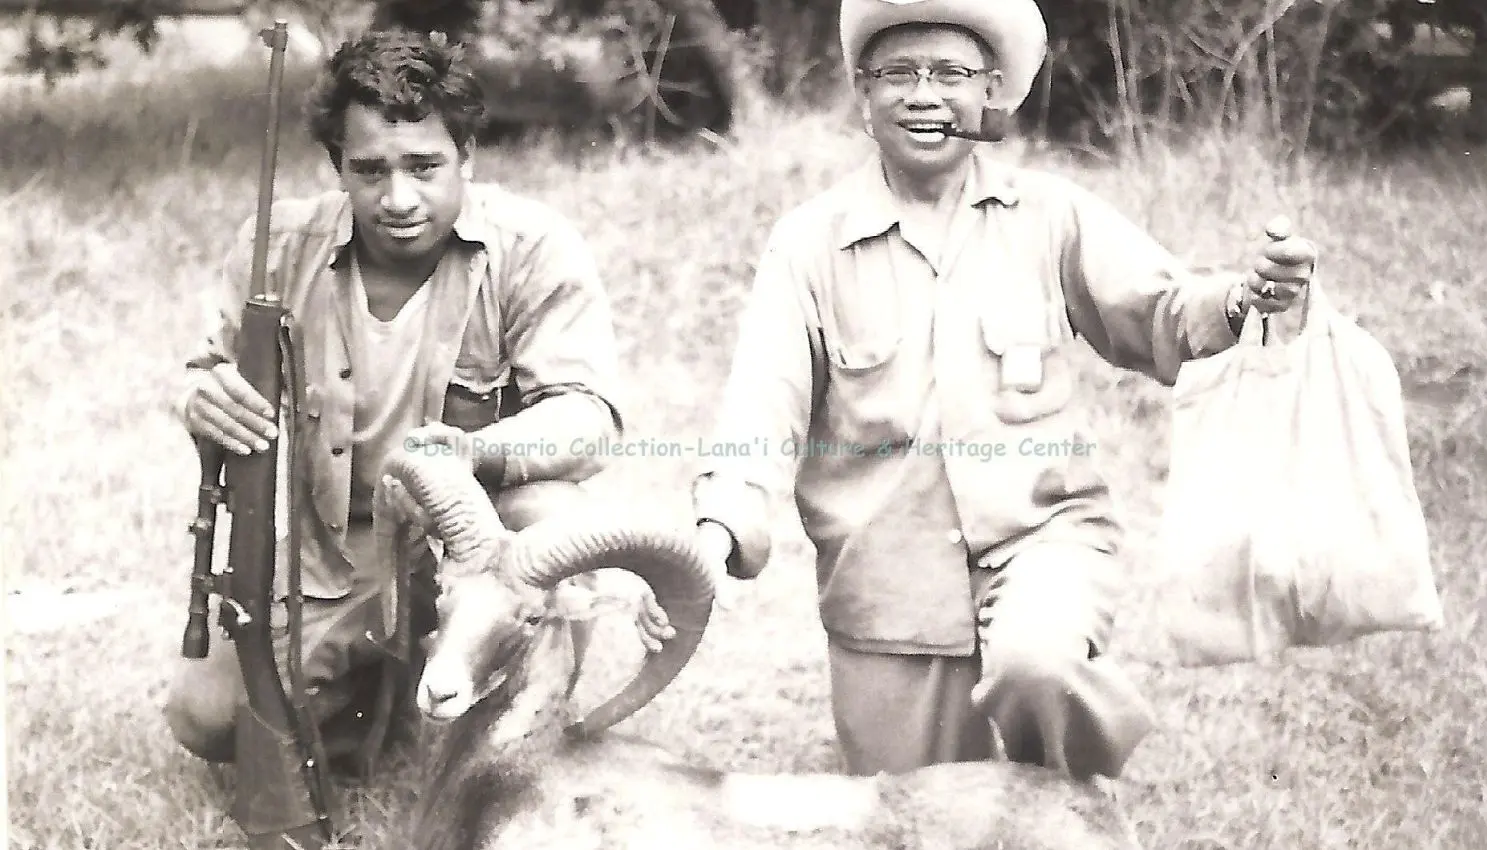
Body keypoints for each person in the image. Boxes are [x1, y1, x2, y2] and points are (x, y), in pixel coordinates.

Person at [690, 0, 1318, 782]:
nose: (925, 95)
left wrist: (1245, 299)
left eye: (952, 74)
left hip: (1041, 540)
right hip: (886, 585)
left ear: (990, 92)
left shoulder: (1049, 215)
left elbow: (1162, 309)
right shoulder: (807, 245)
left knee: (1037, 671)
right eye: (899, 73)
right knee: (909, 814)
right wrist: (715, 534)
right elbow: (761, 408)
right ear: (862, 93)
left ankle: (1083, 810)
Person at [166, 28, 674, 778]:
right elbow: (204, 369)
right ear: (337, 166)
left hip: (479, 540)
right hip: (341, 545)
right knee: (205, 716)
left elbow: (588, 418)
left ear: (467, 155)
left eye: (425, 166)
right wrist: (197, 396)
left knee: (555, 516)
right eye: (370, 170)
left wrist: (476, 452)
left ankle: (512, 718)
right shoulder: (276, 248)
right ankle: (380, 702)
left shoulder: (533, 247)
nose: (398, 197)